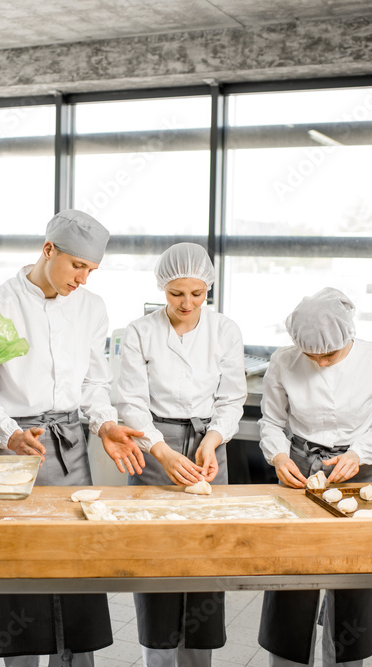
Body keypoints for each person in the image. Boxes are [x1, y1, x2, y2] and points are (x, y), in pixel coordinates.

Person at [0, 209, 146, 666]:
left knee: (75, 565)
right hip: (14, 452)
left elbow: (93, 385)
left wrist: (104, 424)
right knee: (17, 568)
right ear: (48, 250)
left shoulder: (92, 308)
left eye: (91, 270)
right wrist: (7, 436)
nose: (83, 279)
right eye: (77, 266)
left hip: (70, 451)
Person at [256, 287, 372, 667]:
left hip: (359, 472)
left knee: (355, 576)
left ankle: (346, 659)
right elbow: (271, 421)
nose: (321, 363)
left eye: (330, 355)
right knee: (292, 574)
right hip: (299, 470)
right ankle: (287, 659)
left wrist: (359, 454)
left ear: (347, 337)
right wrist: (278, 455)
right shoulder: (284, 361)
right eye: (312, 355)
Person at [116, 242, 247, 667]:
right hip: (154, 445)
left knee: (206, 554)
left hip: (210, 444)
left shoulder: (225, 330)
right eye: (176, 294)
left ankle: (198, 659)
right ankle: (157, 656)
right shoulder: (139, 332)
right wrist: (161, 452)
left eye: (196, 293)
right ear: (161, 288)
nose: (187, 303)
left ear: (208, 287)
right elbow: (132, 403)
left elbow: (231, 399)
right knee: (155, 554)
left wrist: (213, 440)